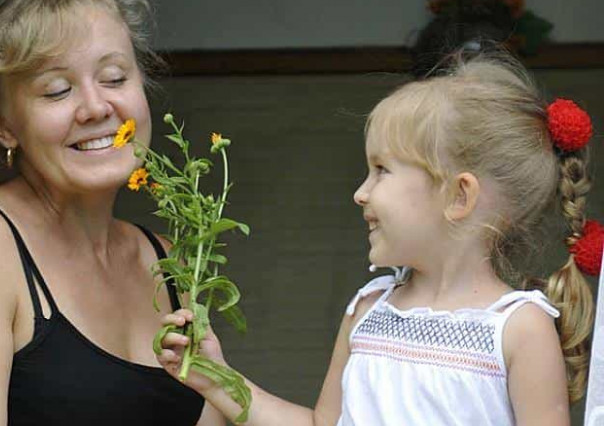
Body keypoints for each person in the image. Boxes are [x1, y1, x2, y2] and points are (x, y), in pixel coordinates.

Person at [158, 51, 600, 425]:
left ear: (459, 195)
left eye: (381, 170)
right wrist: (216, 377)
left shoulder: (519, 329)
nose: (360, 192)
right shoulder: (368, 311)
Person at [0, 0, 224, 426]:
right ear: (2, 124)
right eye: (58, 90)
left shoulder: (169, 261)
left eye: (114, 78)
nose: (96, 107)